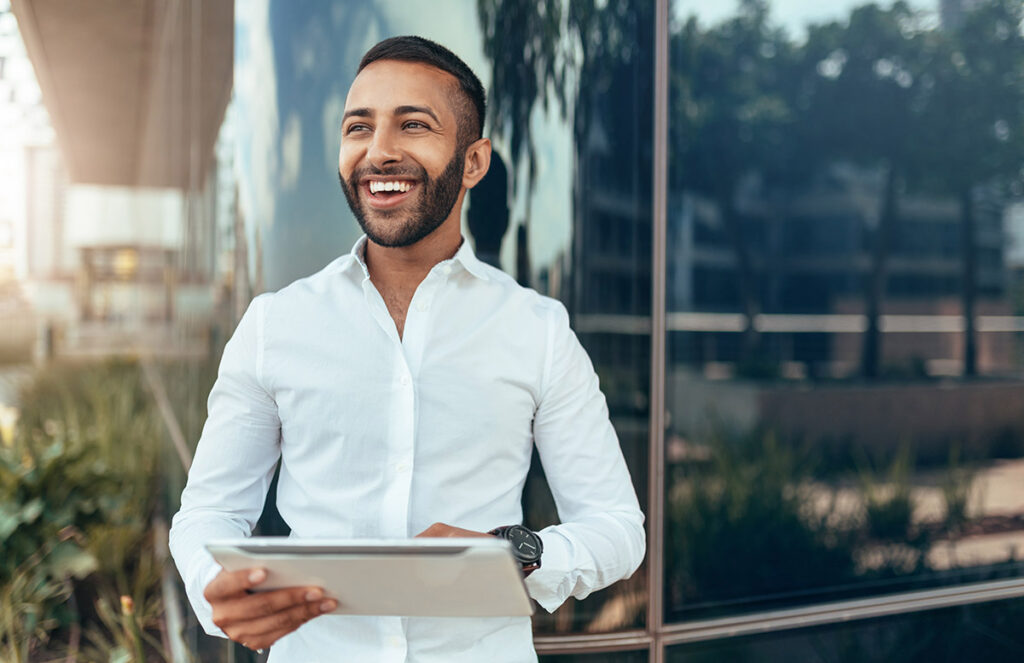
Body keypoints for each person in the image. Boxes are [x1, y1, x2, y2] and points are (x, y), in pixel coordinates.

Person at [169, 35, 645, 662]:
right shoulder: (273, 325)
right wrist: (214, 587)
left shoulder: (539, 331)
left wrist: (516, 551)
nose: (379, 152)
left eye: (413, 125)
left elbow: (616, 528)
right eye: (358, 128)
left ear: (474, 163)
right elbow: (207, 510)